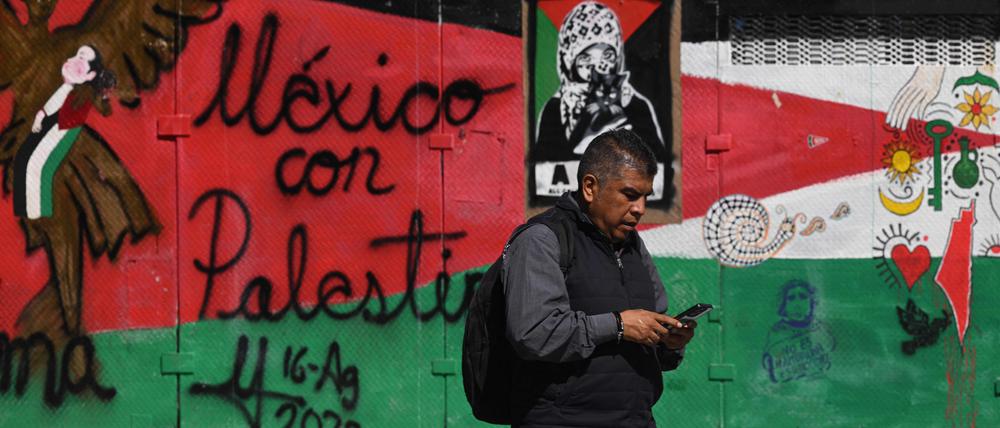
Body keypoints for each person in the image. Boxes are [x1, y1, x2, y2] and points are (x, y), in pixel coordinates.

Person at [504, 128, 696, 427]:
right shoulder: (543, 239)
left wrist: (668, 343)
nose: (640, 209)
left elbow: (646, 342)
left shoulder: (633, 246)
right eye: (630, 195)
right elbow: (534, 333)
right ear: (590, 187)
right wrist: (618, 325)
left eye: (645, 197)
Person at [531, 2, 668, 200]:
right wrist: (583, 139)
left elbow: (659, 177)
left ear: (618, 59)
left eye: (607, 55)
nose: (598, 67)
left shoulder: (635, 105)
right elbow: (543, 181)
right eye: (586, 58)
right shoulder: (555, 110)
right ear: (570, 62)